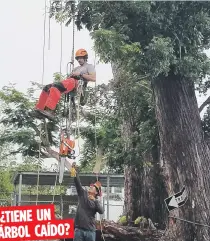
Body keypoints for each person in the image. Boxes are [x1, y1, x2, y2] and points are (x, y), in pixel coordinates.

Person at [34, 48, 96, 120]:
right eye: (78, 58)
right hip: (70, 81)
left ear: (85, 58)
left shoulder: (89, 66)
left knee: (56, 86)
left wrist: (80, 74)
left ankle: (49, 110)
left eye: (81, 58)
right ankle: (39, 108)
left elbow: (93, 78)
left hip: (77, 82)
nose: (79, 60)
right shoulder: (76, 68)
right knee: (47, 88)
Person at [71, 163, 104, 241]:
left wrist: (95, 200)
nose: (91, 186)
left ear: (96, 192)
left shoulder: (96, 202)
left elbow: (101, 211)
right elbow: (77, 183)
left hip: (90, 232)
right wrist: (74, 171)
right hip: (79, 230)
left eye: (93, 187)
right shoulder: (83, 194)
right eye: (91, 186)